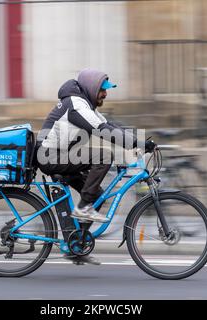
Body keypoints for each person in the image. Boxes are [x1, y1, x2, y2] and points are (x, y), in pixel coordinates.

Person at [35, 68, 155, 264]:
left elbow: (112, 126)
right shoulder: (76, 105)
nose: (105, 94)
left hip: (60, 156)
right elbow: (103, 131)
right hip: (49, 157)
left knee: (97, 196)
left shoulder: (86, 106)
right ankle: (83, 208)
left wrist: (139, 140)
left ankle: (77, 247)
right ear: (92, 87)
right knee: (103, 156)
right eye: (102, 90)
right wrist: (136, 143)